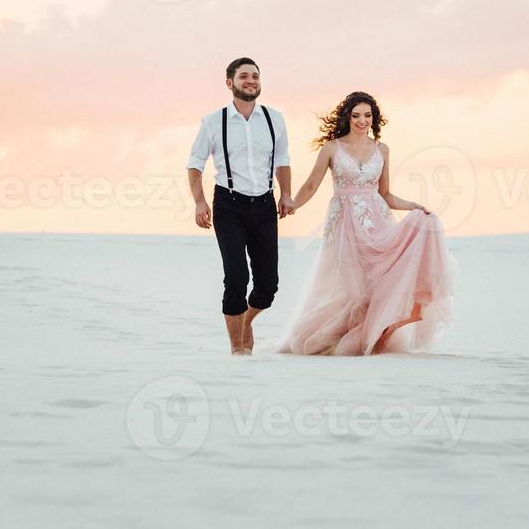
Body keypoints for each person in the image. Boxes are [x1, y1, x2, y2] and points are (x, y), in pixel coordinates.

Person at [278, 91, 457, 356]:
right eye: (356, 115)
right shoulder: (331, 149)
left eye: (367, 115)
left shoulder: (382, 149)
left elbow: (385, 194)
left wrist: (412, 206)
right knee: (349, 284)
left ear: (374, 118)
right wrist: (291, 203)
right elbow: (312, 184)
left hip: (376, 221)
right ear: (347, 118)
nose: (362, 121)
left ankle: (377, 332)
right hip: (343, 223)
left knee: (378, 277)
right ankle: (345, 336)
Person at [187, 58, 296, 355]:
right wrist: (199, 202)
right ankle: (238, 349)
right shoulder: (213, 121)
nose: (251, 80)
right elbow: (195, 164)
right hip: (228, 204)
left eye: (256, 76)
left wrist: (286, 194)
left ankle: (244, 322)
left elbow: (282, 160)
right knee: (236, 277)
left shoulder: (275, 118)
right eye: (244, 76)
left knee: (268, 287)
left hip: (264, 205)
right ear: (229, 83)